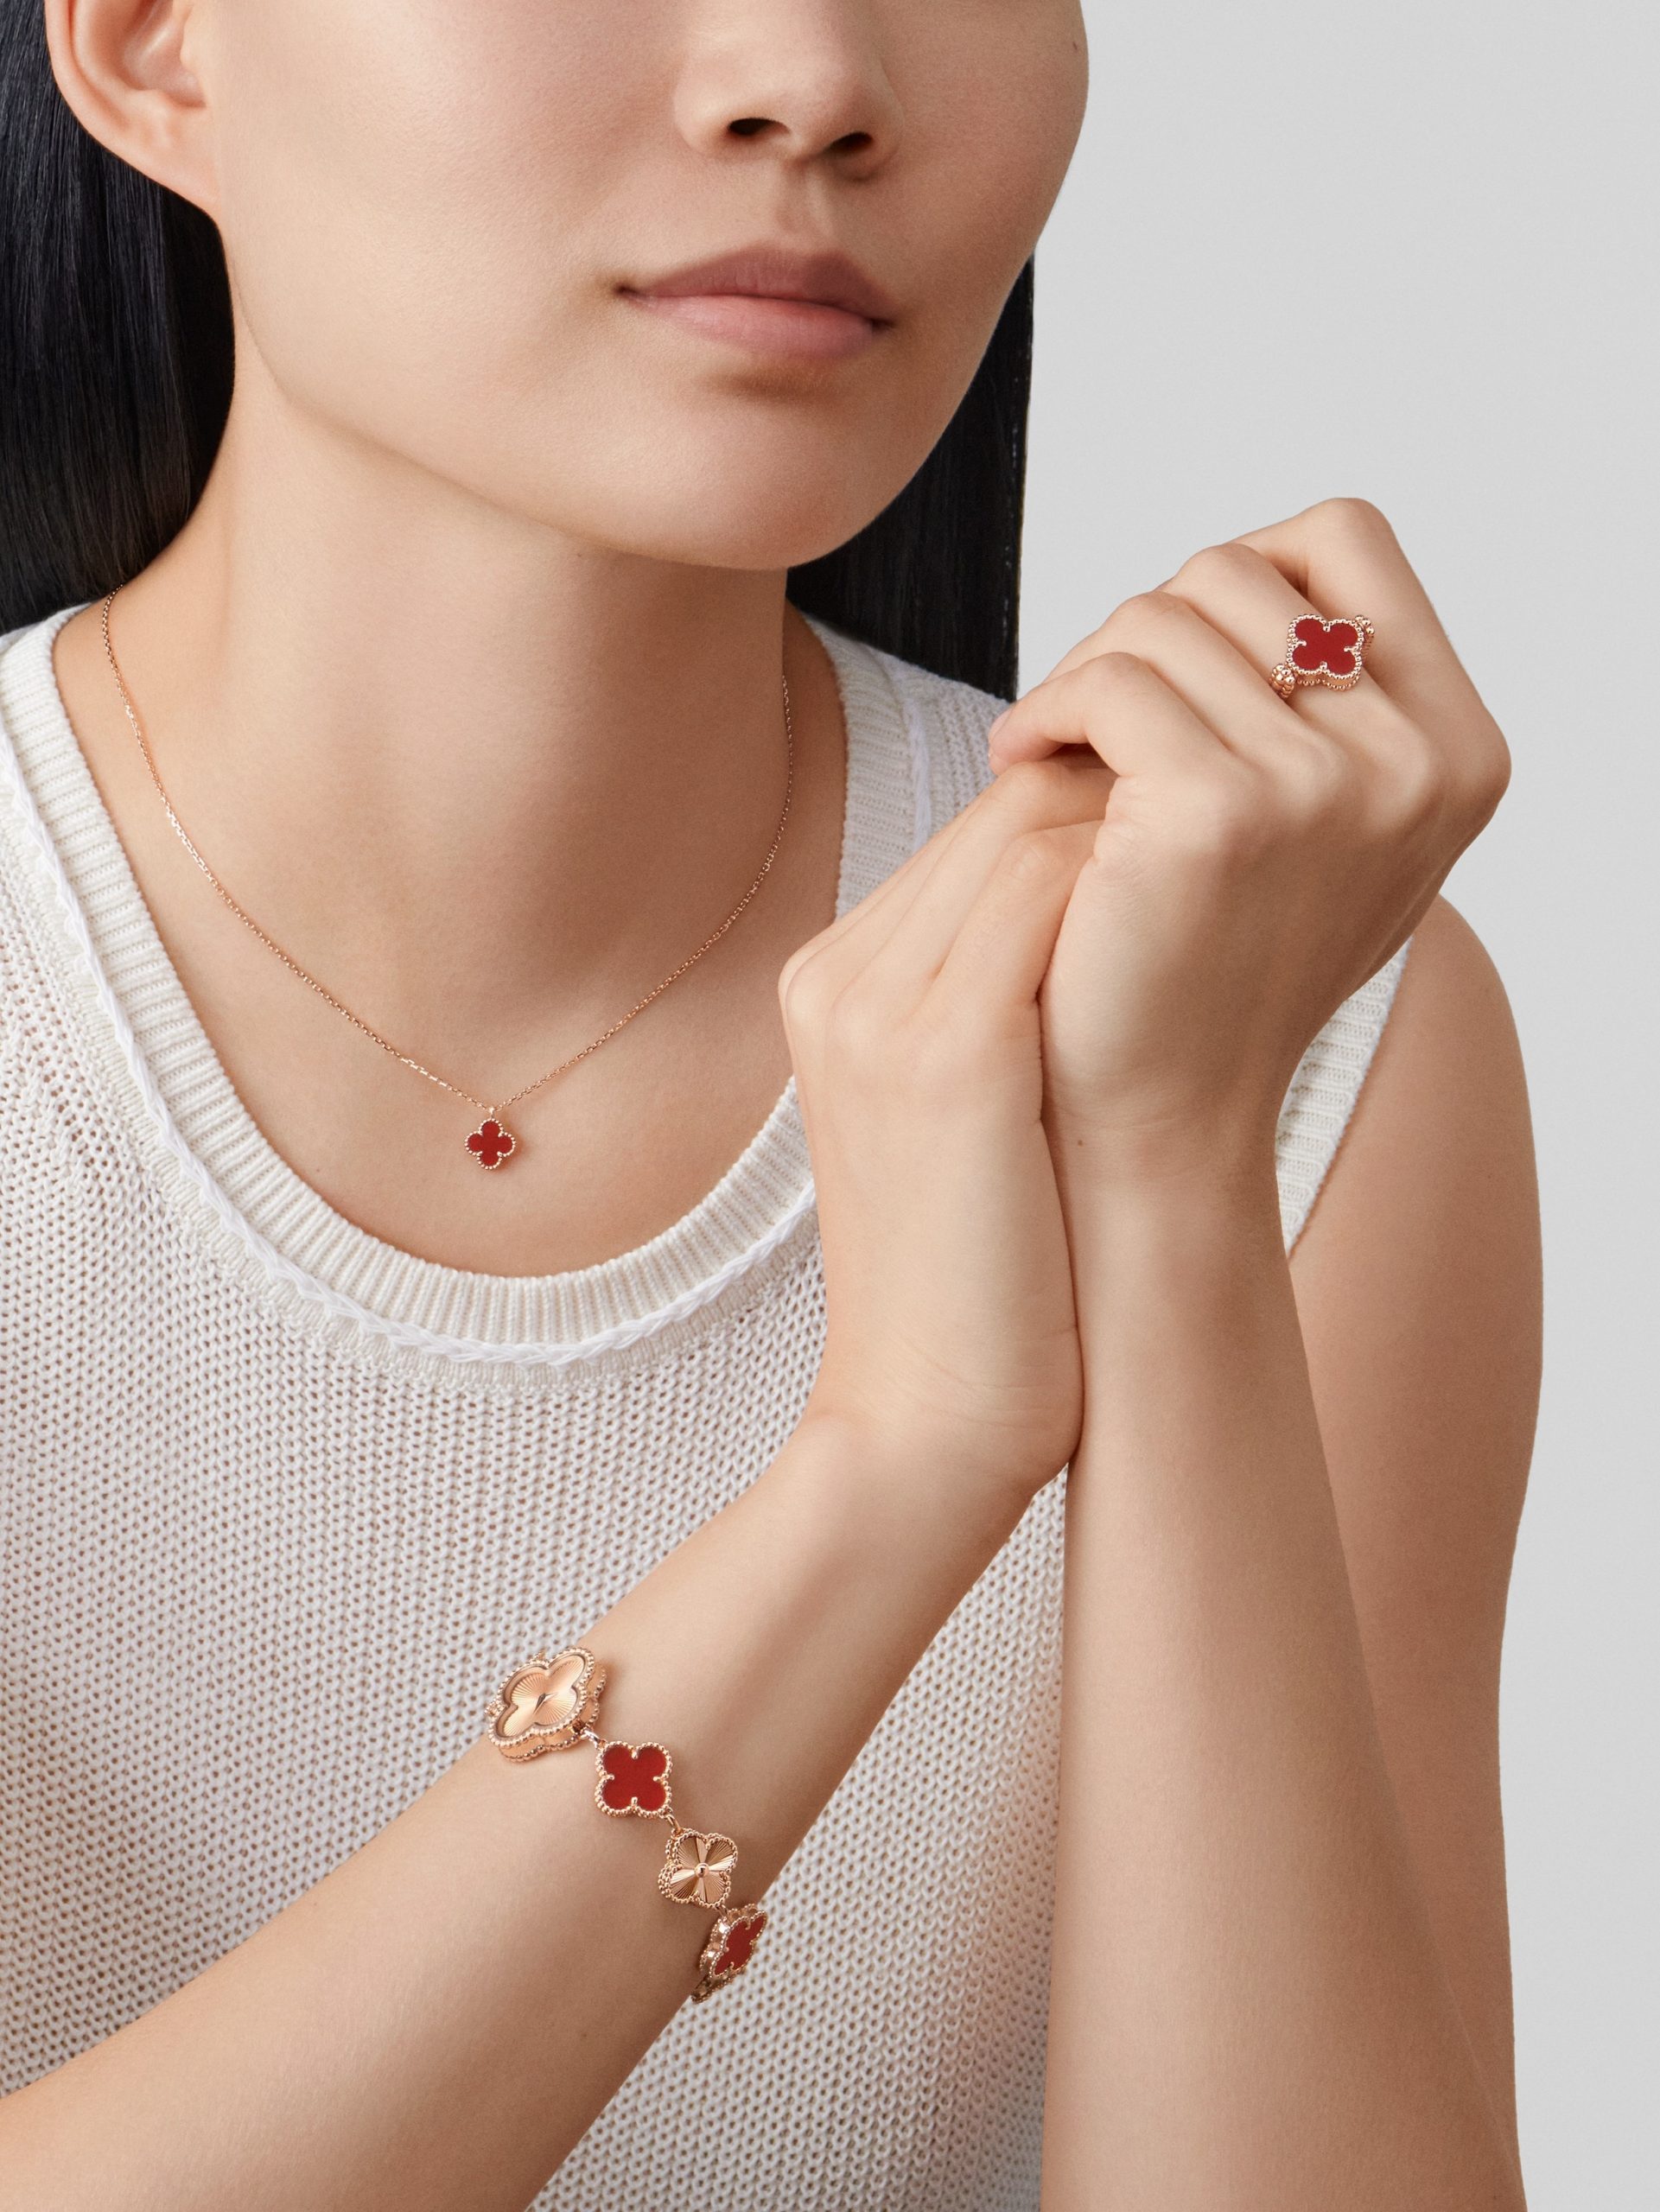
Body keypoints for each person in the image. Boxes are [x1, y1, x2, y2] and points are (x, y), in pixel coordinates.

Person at [0, 1, 1537, 2206]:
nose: (810, 74)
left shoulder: (1277, 1023)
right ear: (156, 47)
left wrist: (1167, 1178)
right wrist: (899, 1457)